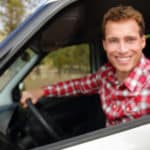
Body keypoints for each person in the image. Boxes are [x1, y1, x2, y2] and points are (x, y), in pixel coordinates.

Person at [21, 5, 150, 126]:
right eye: (113, 41)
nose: (122, 50)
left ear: (142, 42)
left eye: (130, 40)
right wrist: (41, 91)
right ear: (105, 45)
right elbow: (78, 86)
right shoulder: (106, 74)